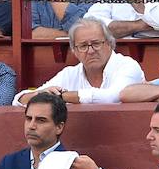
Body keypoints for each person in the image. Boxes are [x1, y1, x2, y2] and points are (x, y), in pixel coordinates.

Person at [15, 17, 145, 104]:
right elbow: (18, 101)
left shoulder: (127, 66)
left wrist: (60, 97)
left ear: (110, 44)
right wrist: (41, 95)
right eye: (83, 46)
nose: (90, 50)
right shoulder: (69, 73)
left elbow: (113, 96)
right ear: (74, 51)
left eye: (96, 43)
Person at [0, 92, 109, 169]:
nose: (31, 126)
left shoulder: (75, 165)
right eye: (29, 119)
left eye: (41, 120)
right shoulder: (10, 163)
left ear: (59, 127)